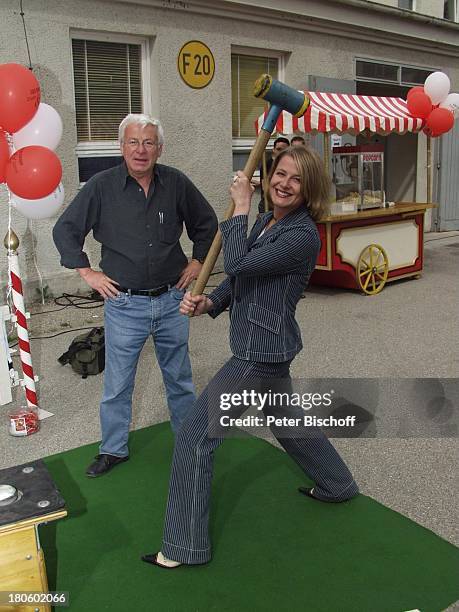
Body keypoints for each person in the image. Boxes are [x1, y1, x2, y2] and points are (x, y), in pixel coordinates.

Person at [142, 146, 359, 568]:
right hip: (268, 346)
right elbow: (242, 280)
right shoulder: (267, 222)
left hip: (258, 354)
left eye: (296, 179)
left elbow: (238, 261)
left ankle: (183, 549)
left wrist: (239, 206)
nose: (284, 183)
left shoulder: (302, 235)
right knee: (290, 426)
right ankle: (338, 484)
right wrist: (210, 302)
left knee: (194, 437)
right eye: (280, 173)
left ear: (309, 188)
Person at [53, 114, 218, 477]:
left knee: (179, 378)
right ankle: (113, 449)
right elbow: (66, 230)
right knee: (117, 383)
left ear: (160, 148)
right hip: (124, 304)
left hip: (172, 299)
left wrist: (197, 262)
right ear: (121, 146)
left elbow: (206, 223)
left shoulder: (176, 183)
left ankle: (190, 443)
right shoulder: (100, 186)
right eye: (133, 142)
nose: (140, 150)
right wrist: (88, 272)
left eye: (148, 143)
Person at [256, 136, 290, 214]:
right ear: (273, 150)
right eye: (278, 149)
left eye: (284, 150)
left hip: (283, 202)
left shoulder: (289, 165)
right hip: (269, 204)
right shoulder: (267, 165)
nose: (281, 152)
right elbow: (265, 186)